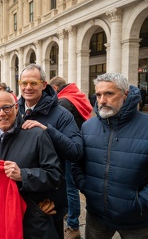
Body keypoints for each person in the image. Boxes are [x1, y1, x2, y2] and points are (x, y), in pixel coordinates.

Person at [73, 73, 148, 239]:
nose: (102, 100)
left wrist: (140, 203)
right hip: (96, 217)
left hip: (137, 221)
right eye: (98, 95)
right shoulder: (88, 127)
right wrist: (86, 187)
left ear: (125, 94)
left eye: (109, 94)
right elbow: (77, 164)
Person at [0, 91, 63, 238]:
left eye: (7, 107)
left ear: (16, 108)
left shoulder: (37, 135)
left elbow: (55, 175)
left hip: (30, 221)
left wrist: (23, 175)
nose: (2, 114)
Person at [17, 64, 83, 238]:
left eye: (33, 82)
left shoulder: (62, 114)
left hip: (49, 200)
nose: (28, 87)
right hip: (19, 196)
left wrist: (47, 130)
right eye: (24, 83)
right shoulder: (12, 111)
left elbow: (76, 151)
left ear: (43, 84)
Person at [49, 76, 93, 239]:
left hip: (68, 149)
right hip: (80, 144)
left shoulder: (64, 102)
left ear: (54, 88)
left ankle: (73, 225)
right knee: (72, 185)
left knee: (70, 187)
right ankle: (71, 215)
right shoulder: (77, 96)